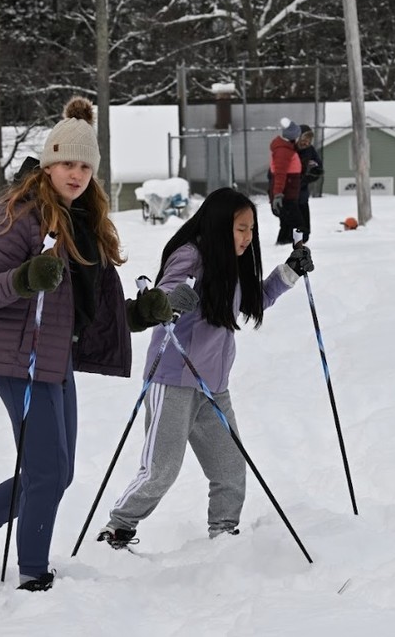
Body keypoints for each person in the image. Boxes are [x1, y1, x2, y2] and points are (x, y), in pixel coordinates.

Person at [0, 96, 194, 591]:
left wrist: (141, 313)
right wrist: (26, 277)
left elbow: (88, 312)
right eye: (67, 163)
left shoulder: (82, 221)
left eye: (85, 165)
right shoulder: (20, 214)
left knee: (57, 473)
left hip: (55, 360)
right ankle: (33, 576)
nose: (76, 173)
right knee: (47, 474)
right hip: (17, 358)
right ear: (49, 163)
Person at [97, 187, 314, 550]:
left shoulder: (231, 260)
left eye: (250, 230)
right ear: (217, 225)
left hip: (213, 385)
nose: (247, 238)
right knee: (161, 471)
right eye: (240, 228)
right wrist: (169, 302)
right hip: (174, 379)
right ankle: (117, 529)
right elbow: (162, 298)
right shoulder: (190, 256)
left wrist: (289, 272)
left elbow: (253, 300)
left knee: (230, 469)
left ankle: (223, 539)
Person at [268, 117, 304, 245]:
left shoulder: (288, 148)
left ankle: (285, 243)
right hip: (285, 193)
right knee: (295, 222)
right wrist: (278, 194)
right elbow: (280, 174)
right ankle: (290, 245)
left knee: (287, 223)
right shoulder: (283, 151)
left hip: (288, 192)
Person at [294, 125, 324, 243]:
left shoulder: (310, 151)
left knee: (304, 221)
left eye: (308, 141)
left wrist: (312, 173)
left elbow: (319, 168)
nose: (306, 143)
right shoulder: (291, 150)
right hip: (290, 194)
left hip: (302, 192)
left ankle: (303, 239)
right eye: (304, 140)